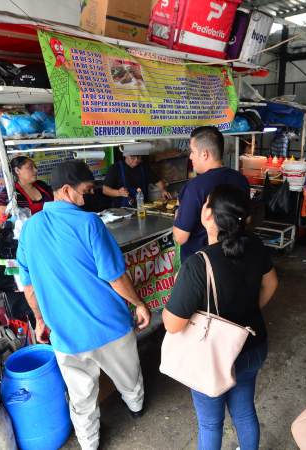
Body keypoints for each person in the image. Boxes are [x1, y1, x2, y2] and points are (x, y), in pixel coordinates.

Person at [16, 160, 152, 450]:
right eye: (86, 191)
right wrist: (139, 303)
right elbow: (115, 277)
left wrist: (40, 320)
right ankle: (136, 407)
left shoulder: (29, 229)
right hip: (110, 327)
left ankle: (89, 443)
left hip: (66, 334)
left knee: (80, 395)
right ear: (66, 190)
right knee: (129, 376)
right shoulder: (89, 223)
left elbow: (28, 286)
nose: (89, 196)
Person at [163, 184, 278, 450]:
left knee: (211, 424)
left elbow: (172, 324)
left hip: (212, 356)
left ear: (208, 215)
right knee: (244, 411)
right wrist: (249, 310)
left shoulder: (197, 264)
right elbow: (271, 284)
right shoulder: (256, 245)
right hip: (253, 345)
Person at [174, 126, 249, 262]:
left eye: (192, 151)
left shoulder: (195, 187)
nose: (190, 156)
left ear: (204, 154)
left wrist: (178, 210)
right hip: (235, 257)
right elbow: (247, 220)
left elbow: (180, 237)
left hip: (201, 264)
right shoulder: (241, 179)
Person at [102, 153, 171, 207]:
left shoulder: (143, 167)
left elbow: (157, 181)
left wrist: (163, 190)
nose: (136, 160)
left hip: (142, 208)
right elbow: (105, 190)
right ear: (125, 155)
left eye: (138, 157)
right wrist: (118, 193)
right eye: (132, 157)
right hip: (121, 211)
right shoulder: (115, 168)